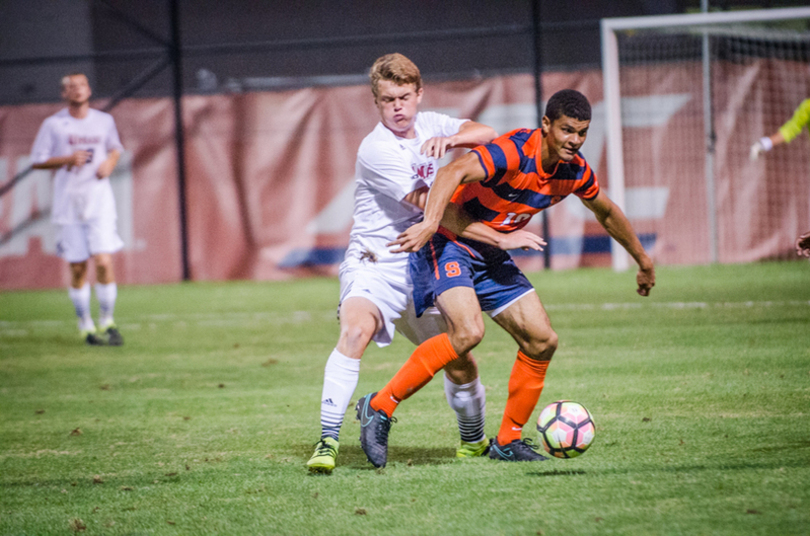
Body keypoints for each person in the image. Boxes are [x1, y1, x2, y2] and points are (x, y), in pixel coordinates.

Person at [356, 89, 655, 467]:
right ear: (546, 124)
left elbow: (607, 212)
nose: (574, 141)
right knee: (467, 333)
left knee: (542, 340)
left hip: (492, 252)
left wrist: (643, 261)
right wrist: (431, 223)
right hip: (450, 242)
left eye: (582, 132)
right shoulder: (514, 150)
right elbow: (452, 171)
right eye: (567, 130)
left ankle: (508, 440)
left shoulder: (574, 171)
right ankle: (378, 407)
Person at [306, 53, 545, 473]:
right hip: (377, 259)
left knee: (460, 352)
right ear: (376, 103)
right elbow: (435, 210)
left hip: (424, 260)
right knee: (356, 330)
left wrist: (453, 139)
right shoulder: (376, 150)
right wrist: (501, 238)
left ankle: (472, 441)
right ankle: (327, 439)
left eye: (403, 97)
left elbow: (486, 132)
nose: (397, 107)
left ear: (419, 94)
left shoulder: (432, 124)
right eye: (386, 100)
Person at [30, 73, 125, 346]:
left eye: (81, 85)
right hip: (69, 202)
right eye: (71, 87)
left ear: (89, 89)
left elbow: (115, 148)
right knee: (78, 267)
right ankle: (86, 325)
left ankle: (107, 320)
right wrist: (66, 159)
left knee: (104, 261)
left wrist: (110, 161)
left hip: (99, 201)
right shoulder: (54, 124)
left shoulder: (103, 121)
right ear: (64, 93)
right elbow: (37, 161)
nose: (77, 90)